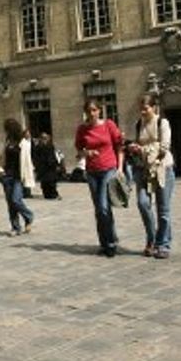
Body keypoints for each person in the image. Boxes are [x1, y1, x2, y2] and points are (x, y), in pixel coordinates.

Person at [127, 94, 174, 259]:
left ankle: (163, 244)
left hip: (163, 168)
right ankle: (151, 238)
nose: (142, 111)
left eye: (145, 108)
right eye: (140, 108)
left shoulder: (162, 122)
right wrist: (134, 147)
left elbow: (164, 148)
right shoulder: (139, 123)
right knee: (142, 203)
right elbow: (141, 144)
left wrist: (143, 149)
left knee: (163, 209)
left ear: (154, 107)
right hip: (144, 169)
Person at [75, 99, 124, 257]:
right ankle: (105, 242)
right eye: (89, 110)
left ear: (99, 111)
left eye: (94, 110)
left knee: (103, 207)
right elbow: (79, 149)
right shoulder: (82, 129)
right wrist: (87, 153)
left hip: (108, 168)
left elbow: (119, 145)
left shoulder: (109, 125)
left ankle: (110, 244)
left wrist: (120, 168)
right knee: (99, 209)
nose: (92, 113)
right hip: (92, 172)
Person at [0, 118, 35, 237]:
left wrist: (29, 176)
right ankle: (15, 227)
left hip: (18, 176)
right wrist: (0, 170)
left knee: (15, 200)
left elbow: (27, 161)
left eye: (7, 129)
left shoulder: (23, 143)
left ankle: (29, 216)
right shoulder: (8, 142)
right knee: (10, 203)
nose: (6, 131)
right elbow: (2, 158)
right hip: (7, 176)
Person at [33, 132, 62, 200]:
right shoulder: (38, 147)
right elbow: (36, 157)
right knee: (44, 182)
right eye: (43, 138)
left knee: (52, 181)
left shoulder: (50, 146)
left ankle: (54, 194)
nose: (44, 139)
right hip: (43, 166)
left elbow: (53, 155)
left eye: (46, 138)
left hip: (51, 166)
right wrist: (37, 166)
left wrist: (57, 164)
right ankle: (46, 194)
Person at [20, 128, 36, 199]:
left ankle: (28, 192)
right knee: (25, 177)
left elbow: (32, 152)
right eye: (27, 133)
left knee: (29, 177)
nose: (28, 134)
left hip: (29, 162)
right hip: (24, 162)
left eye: (29, 133)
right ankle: (25, 192)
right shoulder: (22, 143)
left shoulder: (30, 142)